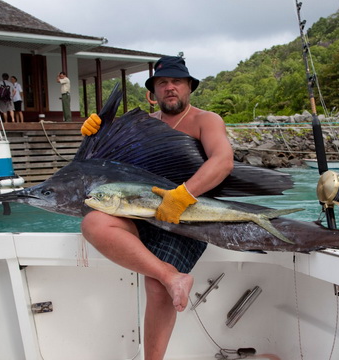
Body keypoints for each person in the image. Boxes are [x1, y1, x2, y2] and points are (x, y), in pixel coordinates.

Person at [80, 56, 234, 360]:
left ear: (189, 87)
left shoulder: (206, 119)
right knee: (93, 224)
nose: (170, 88)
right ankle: (172, 276)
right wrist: (93, 135)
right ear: (154, 91)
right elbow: (113, 167)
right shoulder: (143, 124)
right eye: (162, 83)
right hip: (143, 213)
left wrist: (183, 194)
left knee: (154, 286)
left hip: (186, 218)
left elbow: (223, 161)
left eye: (177, 82)